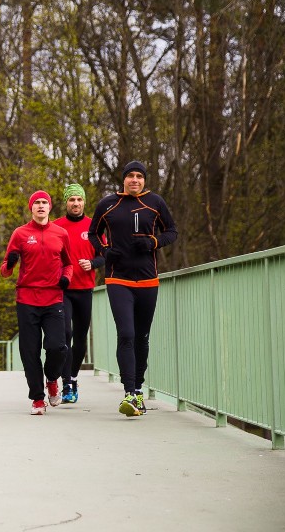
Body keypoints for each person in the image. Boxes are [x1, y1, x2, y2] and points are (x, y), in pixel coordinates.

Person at [88, 161, 178, 417]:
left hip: (148, 281)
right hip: (118, 279)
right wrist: (104, 251)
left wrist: (153, 242)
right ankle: (128, 392)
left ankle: (138, 389)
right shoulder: (108, 204)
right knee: (126, 333)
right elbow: (93, 233)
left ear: (144, 180)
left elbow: (172, 231)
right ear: (123, 180)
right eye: (130, 176)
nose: (135, 180)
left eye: (139, 176)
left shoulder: (155, 202)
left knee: (142, 337)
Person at [0, 190, 73, 415]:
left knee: (57, 347)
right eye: (37, 203)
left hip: (53, 298)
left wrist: (66, 278)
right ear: (31, 208)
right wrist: (11, 263)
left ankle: (52, 378)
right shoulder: (20, 233)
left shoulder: (61, 233)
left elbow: (69, 264)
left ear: (50, 207)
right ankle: (37, 399)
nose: (41, 206)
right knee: (29, 351)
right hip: (27, 299)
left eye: (44, 203)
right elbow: (4, 271)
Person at [52, 184, 105, 404]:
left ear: (84, 202)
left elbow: (106, 256)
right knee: (65, 334)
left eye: (79, 200)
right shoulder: (56, 227)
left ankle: (73, 378)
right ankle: (66, 383)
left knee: (81, 337)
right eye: (72, 200)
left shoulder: (93, 227)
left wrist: (92, 264)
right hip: (62, 290)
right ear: (66, 202)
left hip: (85, 289)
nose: (75, 203)